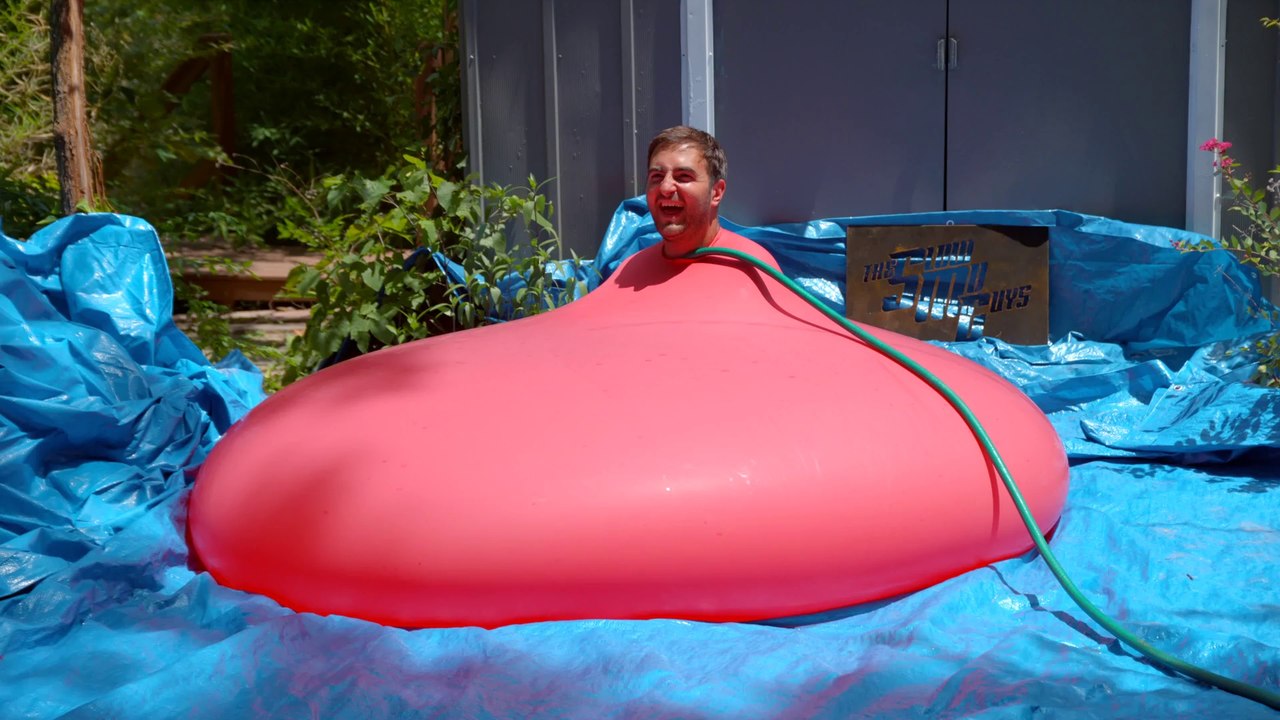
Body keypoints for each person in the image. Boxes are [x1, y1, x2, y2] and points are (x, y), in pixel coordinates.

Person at [645, 125, 730, 259]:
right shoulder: (628, 269)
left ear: (716, 192)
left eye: (683, 176)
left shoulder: (750, 268)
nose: (665, 187)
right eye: (657, 176)